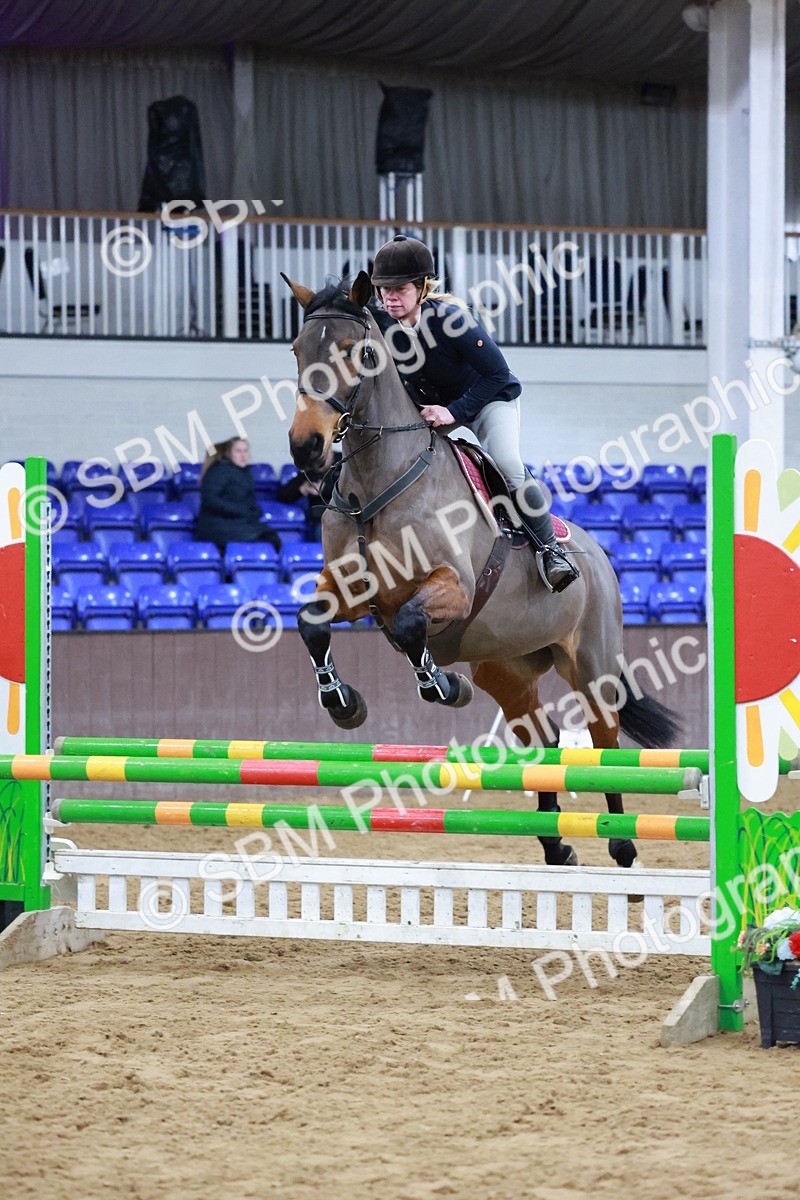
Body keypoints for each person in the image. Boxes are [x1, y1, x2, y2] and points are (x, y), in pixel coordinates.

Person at [370, 234, 579, 593]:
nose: (390, 297)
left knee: (507, 462)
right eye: (383, 290)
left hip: (487, 400)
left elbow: (497, 374)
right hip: (436, 409)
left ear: (421, 288)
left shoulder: (452, 320)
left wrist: (453, 412)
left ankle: (550, 551)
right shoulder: (383, 326)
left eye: (399, 289)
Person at [195, 438, 281, 555]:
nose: (243, 455)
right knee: (267, 541)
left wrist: (255, 511)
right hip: (219, 527)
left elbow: (248, 501)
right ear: (230, 454)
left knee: (271, 539)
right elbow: (210, 499)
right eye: (238, 451)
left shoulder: (244, 473)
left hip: (238, 523)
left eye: (245, 451)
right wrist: (241, 511)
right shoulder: (219, 471)